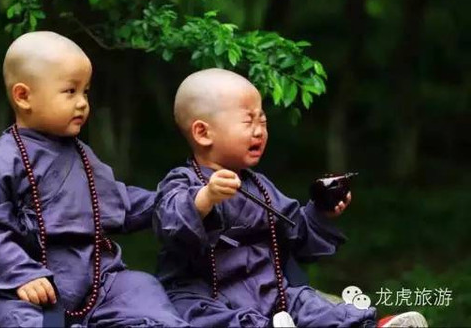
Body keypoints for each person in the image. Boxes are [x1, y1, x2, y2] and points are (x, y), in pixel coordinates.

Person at [153, 68, 428, 327]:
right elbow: (169, 222)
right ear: (202, 132)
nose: (259, 130)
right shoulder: (183, 180)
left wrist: (322, 210)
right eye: (248, 121)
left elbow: (295, 231)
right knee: (210, 318)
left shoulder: (260, 185)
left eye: (263, 120)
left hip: (269, 291)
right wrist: (205, 198)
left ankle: (371, 324)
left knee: (309, 303)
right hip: (208, 295)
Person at [0, 31, 187, 327]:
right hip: (26, 288)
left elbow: (122, 203)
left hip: (96, 281)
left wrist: (180, 200)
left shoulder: (82, 155)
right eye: (70, 91)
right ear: (24, 96)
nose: (82, 103)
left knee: (143, 289)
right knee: (17, 317)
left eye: (86, 92)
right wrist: (21, 274)